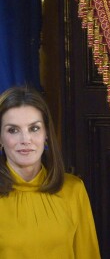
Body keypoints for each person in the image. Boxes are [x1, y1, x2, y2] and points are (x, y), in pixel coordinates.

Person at [0, 86, 101, 258]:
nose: (26, 140)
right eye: (13, 130)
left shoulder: (73, 189)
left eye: (34, 128)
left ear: (46, 133)